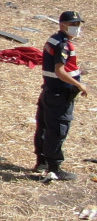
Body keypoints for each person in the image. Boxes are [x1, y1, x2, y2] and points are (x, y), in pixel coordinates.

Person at [33, 11, 87, 181]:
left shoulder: (53, 39)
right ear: (62, 25)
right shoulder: (63, 45)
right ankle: (54, 168)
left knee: (44, 126)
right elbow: (59, 70)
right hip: (59, 94)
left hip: (49, 91)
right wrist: (79, 84)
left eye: (78, 24)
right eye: (73, 25)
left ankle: (41, 162)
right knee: (57, 130)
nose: (77, 28)